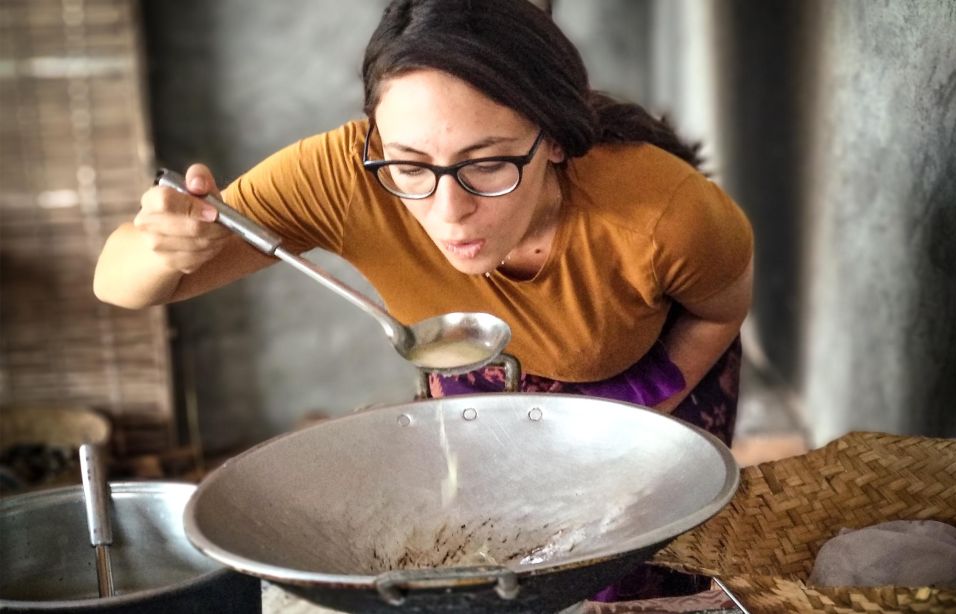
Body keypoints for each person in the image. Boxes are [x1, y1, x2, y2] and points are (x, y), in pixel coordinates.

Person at [94, 0, 753, 602]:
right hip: (489, 376)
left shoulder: (664, 214)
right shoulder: (345, 177)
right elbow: (115, 283)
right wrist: (163, 244)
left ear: (552, 140)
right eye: (409, 165)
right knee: (476, 556)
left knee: (615, 582)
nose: (449, 214)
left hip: (647, 375)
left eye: (488, 164)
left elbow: (720, 308)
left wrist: (642, 405)